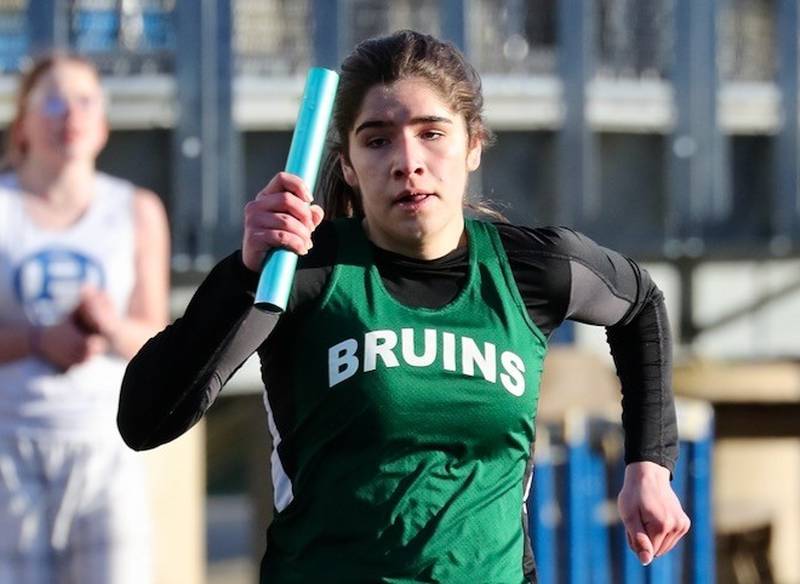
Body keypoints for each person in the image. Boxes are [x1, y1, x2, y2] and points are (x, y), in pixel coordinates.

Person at [119, 30, 689, 583]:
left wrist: (651, 465)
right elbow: (145, 419)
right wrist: (245, 275)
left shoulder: (535, 269)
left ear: (473, 145)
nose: (407, 161)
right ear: (346, 164)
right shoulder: (301, 273)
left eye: (432, 133)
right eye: (377, 139)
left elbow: (641, 305)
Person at [0, 54, 169, 584]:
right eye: (51, 101)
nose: (68, 114)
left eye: (84, 101)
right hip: (10, 450)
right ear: (23, 121)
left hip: (105, 450)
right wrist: (37, 340)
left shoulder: (136, 210)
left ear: (102, 123)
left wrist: (109, 326)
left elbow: (156, 339)